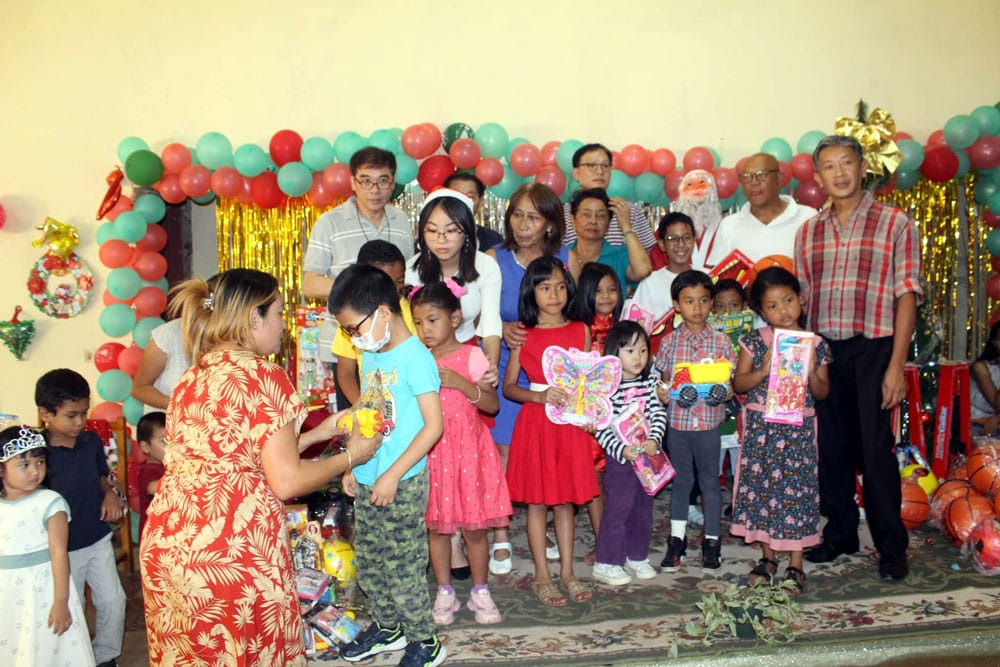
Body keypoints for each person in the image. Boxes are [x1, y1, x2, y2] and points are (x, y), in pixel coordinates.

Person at [140, 269, 382, 666]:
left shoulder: (191, 377)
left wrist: (315, 433)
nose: (283, 326)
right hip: (230, 548)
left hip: (172, 543)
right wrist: (354, 455)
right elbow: (286, 481)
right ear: (255, 317)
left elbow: (232, 457)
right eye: (279, 314)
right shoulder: (263, 374)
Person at [795, 135, 922, 582]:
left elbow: (907, 295)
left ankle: (891, 547)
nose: (840, 173)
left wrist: (896, 366)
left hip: (875, 348)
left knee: (875, 451)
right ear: (818, 176)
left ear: (862, 166)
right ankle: (841, 532)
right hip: (826, 350)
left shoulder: (896, 223)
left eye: (847, 163)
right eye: (829, 166)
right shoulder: (808, 231)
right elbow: (802, 304)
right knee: (830, 449)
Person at [328, 264, 447, 667]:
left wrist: (393, 473)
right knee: (371, 561)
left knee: (403, 565)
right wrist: (350, 464)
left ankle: (425, 640)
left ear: (383, 312)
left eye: (354, 328)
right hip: (367, 477)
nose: (352, 338)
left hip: (402, 481)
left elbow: (434, 426)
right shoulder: (371, 354)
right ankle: (388, 625)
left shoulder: (416, 357)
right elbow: (368, 411)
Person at [410, 283, 511, 626]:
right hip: (433, 453)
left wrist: (459, 382)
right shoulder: (416, 358)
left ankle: (481, 591)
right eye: (418, 322)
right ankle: (445, 591)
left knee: (475, 528)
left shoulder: (472, 356)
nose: (425, 329)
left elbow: (492, 405)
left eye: (432, 320)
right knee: (437, 528)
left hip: (470, 453)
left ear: (454, 318)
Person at [484, 182, 568, 575]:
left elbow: (575, 312)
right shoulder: (492, 258)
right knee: (504, 454)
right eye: (517, 214)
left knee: (547, 453)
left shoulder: (566, 259)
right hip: (506, 367)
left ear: (550, 224)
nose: (522, 224)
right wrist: (503, 327)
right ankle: (501, 533)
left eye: (533, 217)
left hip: (548, 377)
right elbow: (475, 317)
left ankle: (547, 524)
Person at [503, 256, 598, 606]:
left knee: (567, 502)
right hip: (537, 423)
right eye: (545, 287)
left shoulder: (580, 329)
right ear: (532, 292)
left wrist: (589, 414)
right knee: (538, 504)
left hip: (569, 424)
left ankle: (568, 573)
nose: (554, 294)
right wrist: (539, 395)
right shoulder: (521, 334)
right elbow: (510, 386)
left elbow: (587, 381)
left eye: (560, 286)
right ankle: (543, 575)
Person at [730, 267, 831, 595]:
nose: (783, 310)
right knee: (762, 492)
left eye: (788, 300)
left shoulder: (815, 343)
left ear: (801, 300)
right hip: (763, 431)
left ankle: (796, 562)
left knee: (797, 493)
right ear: (761, 311)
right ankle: (768, 557)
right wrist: (764, 368)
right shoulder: (755, 341)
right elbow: (739, 383)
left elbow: (823, 392)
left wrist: (813, 367)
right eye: (772, 306)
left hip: (798, 430)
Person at [36, 368, 126, 667]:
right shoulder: (39, 455)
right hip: (63, 550)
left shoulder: (90, 442)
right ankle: (75, 658)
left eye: (84, 413)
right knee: (71, 605)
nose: (80, 422)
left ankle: (105, 656)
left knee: (113, 601)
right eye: (71, 415)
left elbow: (101, 475)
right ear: (45, 413)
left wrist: (110, 493)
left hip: (97, 536)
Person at [301, 147, 414, 382]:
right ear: (353, 182)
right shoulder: (330, 222)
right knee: (356, 416)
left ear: (393, 183)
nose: (375, 190)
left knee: (395, 416)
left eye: (383, 181)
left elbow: (407, 279)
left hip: (395, 343)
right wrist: (360, 291)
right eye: (366, 181)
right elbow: (309, 284)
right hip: (347, 344)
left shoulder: (401, 221)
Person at [653, 271, 735, 573]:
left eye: (703, 301)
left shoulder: (722, 342)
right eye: (689, 301)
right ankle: (677, 540)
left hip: (709, 427)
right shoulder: (670, 343)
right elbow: (662, 384)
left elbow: (729, 387)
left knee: (711, 484)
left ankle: (712, 541)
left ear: (712, 304)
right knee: (682, 483)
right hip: (678, 427)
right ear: (676, 305)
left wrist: (721, 392)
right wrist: (665, 394)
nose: (697, 308)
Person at [0, 425, 96, 666]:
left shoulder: (50, 503)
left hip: (43, 587)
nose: (35, 471)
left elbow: (59, 553)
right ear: (2, 470)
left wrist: (61, 601)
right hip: (8, 589)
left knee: (47, 645)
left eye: (40, 462)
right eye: (24, 465)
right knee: (13, 644)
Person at [591, 322, 668, 586]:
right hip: (622, 460)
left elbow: (657, 413)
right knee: (618, 508)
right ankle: (607, 562)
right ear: (614, 353)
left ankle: (637, 556)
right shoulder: (607, 389)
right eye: (630, 351)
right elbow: (602, 426)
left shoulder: (650, 383)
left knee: (643, 508)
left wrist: (655, 439)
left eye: (644, 350)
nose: (638, 357)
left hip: (647, 458)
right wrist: (621, 450)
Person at [406, 187, 502, 373]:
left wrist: (490, 365)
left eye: (451, 231)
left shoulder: (485, 265)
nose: (441, 240)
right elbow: (413, 328)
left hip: (468, 352)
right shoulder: (412, 269)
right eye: (432, 231)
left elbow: (490, 322)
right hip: (424, 355)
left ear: (466, 232)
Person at [568, 261, 624, 563]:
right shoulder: (579, 330)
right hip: (590, 418)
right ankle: (605, 541)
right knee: (595, 481)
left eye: (612, 289)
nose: (606, 296)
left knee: (621, 481)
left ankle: (620, 534)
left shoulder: (625, 328)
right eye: (599, 290)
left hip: (624, 414)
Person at [333, 240, 414, 406]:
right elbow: (346, 372)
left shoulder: (416, 311)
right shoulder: (354, 321)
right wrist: (363, 408)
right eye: (385, 282)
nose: (392, 290)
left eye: (399, 281)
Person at [707, 153, 817, 267]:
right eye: (746, 176)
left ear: (779, 179)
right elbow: (718, 278)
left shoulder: (808, 218)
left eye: (762, 175)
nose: (754, 182)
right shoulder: (729, 225)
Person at [131, 275, 221, 411]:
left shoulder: (238, 338)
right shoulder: (169, 335)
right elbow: (139, 388)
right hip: (166, 425)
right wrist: (182, 407)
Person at [562, 143, 657, 250]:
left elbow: (648, 256)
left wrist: (626, 227)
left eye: (605, 166)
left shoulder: (629, 211)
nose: (600, 171)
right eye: (592, 165)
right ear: (576, 173)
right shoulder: (562, 215)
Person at [567, 188, 652, 291]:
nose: (593, 221)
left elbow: (643, 270)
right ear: (573, 220)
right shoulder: (562, 255)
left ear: (609, 223)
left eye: (601, 216)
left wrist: (626, 226)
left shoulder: (620, 255)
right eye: (586, 215)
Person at [630, 212, 698, 326]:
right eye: (672, 238)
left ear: (694, 240)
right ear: (662, 244)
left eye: (686, 238)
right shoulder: (650, 282)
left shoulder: (708, 276)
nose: (680, 244)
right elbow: (638, 327)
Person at [444, 172, 503, 251]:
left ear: (480, 201)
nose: (464, 201)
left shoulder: (493, 239)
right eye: (457, 195)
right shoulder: (432, 236)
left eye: (469, 197)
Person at [135, 411, 166, 543]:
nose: (172, 445)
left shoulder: (170, 465)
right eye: (163, 440)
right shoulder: (148, 470)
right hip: (153, 537)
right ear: (146, 447)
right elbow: (154, 487)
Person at [971, 321, 1000, 435]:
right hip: (978, 422)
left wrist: (998, 417)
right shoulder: (981, 367)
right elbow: (997, 404)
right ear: (994, 343)